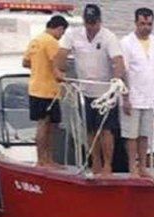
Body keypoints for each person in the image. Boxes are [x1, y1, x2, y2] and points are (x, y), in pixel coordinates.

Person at [55, 4, 124, 176]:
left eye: (94, 22)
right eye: (88, 22)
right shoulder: (73, 34)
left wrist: (116, 79)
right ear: (84, 21)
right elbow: (61, 53)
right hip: (85, 91)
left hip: (105, 92)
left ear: (99, 21)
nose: (91, 26)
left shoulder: (108, 37)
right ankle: (96, 162)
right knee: (90, 130)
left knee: (106, 130)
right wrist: (59, 70)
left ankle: (108, 164)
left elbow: (118, 61)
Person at [119, 7, 154, 177]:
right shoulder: (126, 42)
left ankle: (142, 167)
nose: (146, 27)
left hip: (149, 97)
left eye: (149, 24)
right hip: (132, 96)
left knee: (144, 134)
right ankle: (133, 167)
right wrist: (125, 97)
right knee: (131, 135)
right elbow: (123, 71)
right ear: (136, 23)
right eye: (142, 23)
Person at [22, 14, 69, 168]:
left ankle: (44, 159)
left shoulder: (36, 40)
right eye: (62, 33)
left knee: (43, 124)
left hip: (34, 88)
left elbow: (25, 62)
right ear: (59, 28)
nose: (61, 36)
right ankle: (44, 160)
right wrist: (63, 77)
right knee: (46, 125)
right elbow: (56, 67)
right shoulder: (52, 42)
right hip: (48, 90)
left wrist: (39, 68)